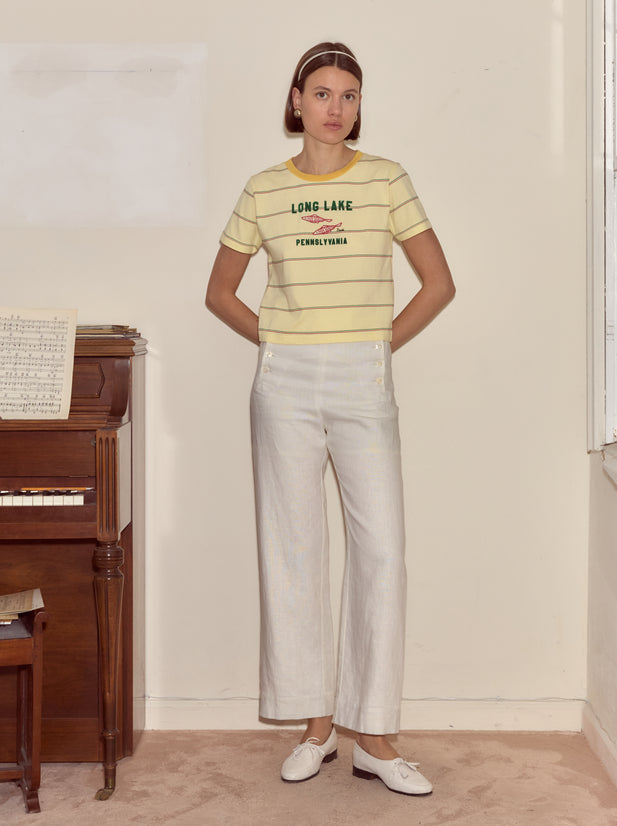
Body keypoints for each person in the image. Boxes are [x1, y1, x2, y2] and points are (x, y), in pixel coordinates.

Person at [206, 41, 455, 796]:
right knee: (293, 548)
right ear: (296, 101)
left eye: (349, 94)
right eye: (322, 92)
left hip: (362, 376)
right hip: (284, 383)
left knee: (382, 552)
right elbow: (220, 292)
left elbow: (438, 283)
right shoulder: (262, 189)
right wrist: (279, 345)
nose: (336, 107)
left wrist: (376, 348)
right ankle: (315, 725)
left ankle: (374, 735)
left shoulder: (387, 180)